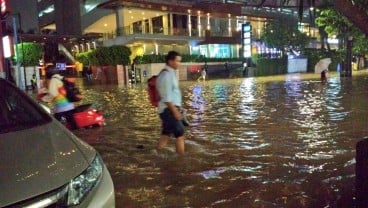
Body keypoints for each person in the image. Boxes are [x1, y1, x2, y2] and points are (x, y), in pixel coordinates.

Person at [156, 51, 186, 154]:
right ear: (170, 61)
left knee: (166, 133)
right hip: (168, 110)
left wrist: (178, 108)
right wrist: (175, 111)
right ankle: (181, 160)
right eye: (177, 61)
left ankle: (157, 154)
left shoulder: (169, 73)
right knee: (180, 134)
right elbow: (166, 97)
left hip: (168, 109)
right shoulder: (166, 76)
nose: (179, 63)